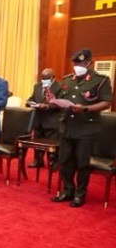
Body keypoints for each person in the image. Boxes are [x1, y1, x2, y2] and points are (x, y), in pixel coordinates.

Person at [51, 49, 113, 208]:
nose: (78, 66)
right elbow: (62, 99)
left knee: (82, 163)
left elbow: (106, 102)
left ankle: (80, 194)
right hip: (67, 127)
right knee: (65, 161)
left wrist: (86, 108)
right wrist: (54, 101)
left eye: (82, 63)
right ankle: (67, 190)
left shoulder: (100, 80)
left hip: (86, 128)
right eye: (76, 63)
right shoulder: (67, 80)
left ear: (90, 63)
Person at [25, 68, 61, 168]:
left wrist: (47, 106)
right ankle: (38, 161)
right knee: (37, 141)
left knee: (51, 144)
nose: (44, 80)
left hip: (52, 120)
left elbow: (60, 103)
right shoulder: (37, 86)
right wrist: (29, 102)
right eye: (42, 78)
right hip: (38, 119)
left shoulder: (59, 87)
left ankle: (53, 162)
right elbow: (32, 98)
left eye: (46, 78)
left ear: (53, 77)